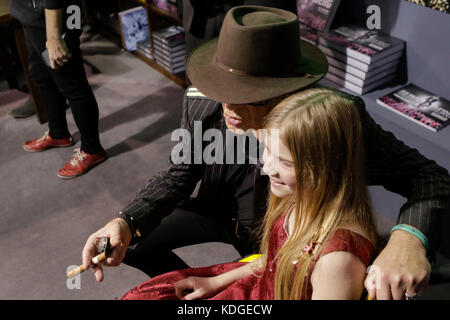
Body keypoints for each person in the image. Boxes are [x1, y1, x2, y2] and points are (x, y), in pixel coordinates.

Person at [81, 6, 450, 300]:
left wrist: (408, 237)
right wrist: (126, 220)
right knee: (132, 242)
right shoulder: (202, 103)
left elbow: (430, 176)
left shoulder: (330, 121)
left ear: (288, 91)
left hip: (282, 234)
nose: (229, 105)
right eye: (221, 86)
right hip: (216, 209)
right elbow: (180, 174)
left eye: (248, 94)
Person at [121, 88, 378, 300]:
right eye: (268, 151)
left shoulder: (338, 259)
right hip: (255, 281)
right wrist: (215, 283)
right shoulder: (297, 198)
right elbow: (273, 261)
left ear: (326, 168)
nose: (267, 168)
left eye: (285, 163)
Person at [10, 0, 106, 178]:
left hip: (56, 17)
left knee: (72, 83)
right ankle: (58, 133)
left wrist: (54, 36)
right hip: (34, 16)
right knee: (41, 75)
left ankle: (92, 150)